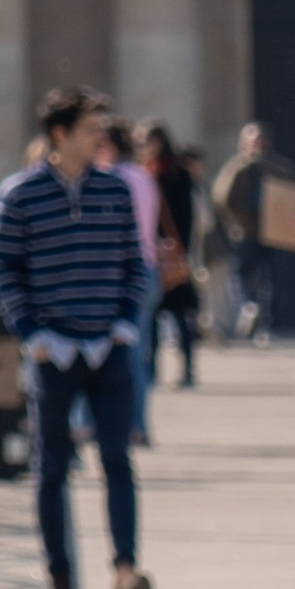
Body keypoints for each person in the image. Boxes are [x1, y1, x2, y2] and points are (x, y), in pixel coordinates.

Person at [0, 87, 154, 589]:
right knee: (51, 468)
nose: (100, 137)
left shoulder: (115, 191)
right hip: (51, 353)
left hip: (109, 349)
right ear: (61, 134)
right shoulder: (18, 195)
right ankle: (61, 579)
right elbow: (2, 270)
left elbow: (136, 262)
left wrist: (126, 324)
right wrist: (32, 334)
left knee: (117, 461)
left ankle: (125, 570)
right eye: (90, 128)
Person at [101, 114, 163, 441]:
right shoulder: (141, 176)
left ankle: (116, 423)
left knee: (120, 355)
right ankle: (138, 424)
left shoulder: (110, 179)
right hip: (148, 269)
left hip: (122, 271)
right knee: (140, 355)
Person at [211, 121, 295, 341]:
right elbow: (221, 198)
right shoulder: (235, 166)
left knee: (274, 281)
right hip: (246, 232)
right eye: (252, 141)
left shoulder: (281, 166)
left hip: (275, 233)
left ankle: (267, 327)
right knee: (240, 275)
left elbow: (294, 194)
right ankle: (249, 308)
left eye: (261, 140)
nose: (257, 145)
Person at [137, 121, 204, 391]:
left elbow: (186, 217)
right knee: (153, 319)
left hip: (169, 255)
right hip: (155, 254)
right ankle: (152, 369)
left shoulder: (174, 175)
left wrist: (179, 250)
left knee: (179, 317)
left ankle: (186, 368)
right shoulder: (146, 174)